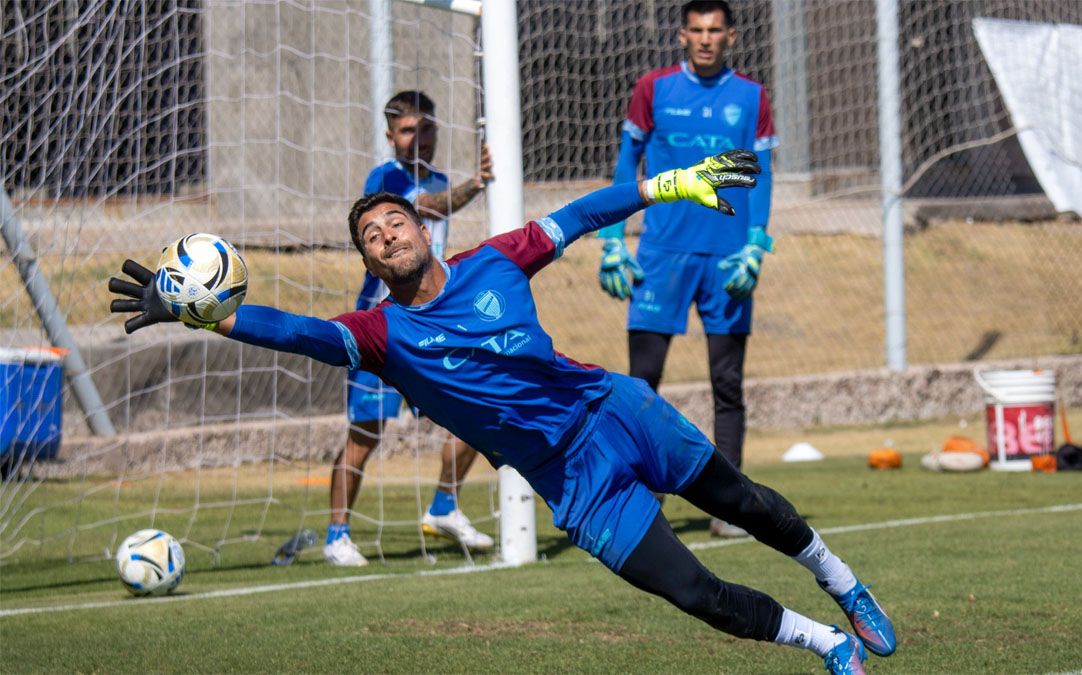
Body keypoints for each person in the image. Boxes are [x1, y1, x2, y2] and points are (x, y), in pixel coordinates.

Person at [109, 150, 894, 674]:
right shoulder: (380, 334)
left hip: (615, 410)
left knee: (745, 503)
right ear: (370, 265)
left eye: (395, 223)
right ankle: (824, 642)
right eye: (372, 238)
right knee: (693, 592)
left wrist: (669, 184)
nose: (387, 237)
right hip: (574, 482)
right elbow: (296, 332)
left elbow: (583, 214)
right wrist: (202, 313)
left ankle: (842, 582)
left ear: (423, 228)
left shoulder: (497, 259)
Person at [597, 0, 776, 538]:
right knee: (641, 384)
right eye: (696, 30)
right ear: (681, 36)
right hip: (661, 256)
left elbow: (761, 174)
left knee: (727, 384)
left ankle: (733, 509)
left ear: (731, 37)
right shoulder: (652, 88)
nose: (705, 39)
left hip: (727, 260)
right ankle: (638, 500)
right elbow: (626, 162)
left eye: (714, 30)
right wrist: (612, 240)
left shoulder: (751, 97)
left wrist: (755, 246)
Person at [330, 90, 495, 567]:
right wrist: (478, 182)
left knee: (477, 408)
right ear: (390, 136)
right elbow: (428, 206)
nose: (418, 139)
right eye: (407, 130)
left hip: (433, 323)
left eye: (425, 129)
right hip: (383, 328)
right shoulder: (384, 180)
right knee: (365, 435)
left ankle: (444, 506)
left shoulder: (439, 176)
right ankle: (337, 535)